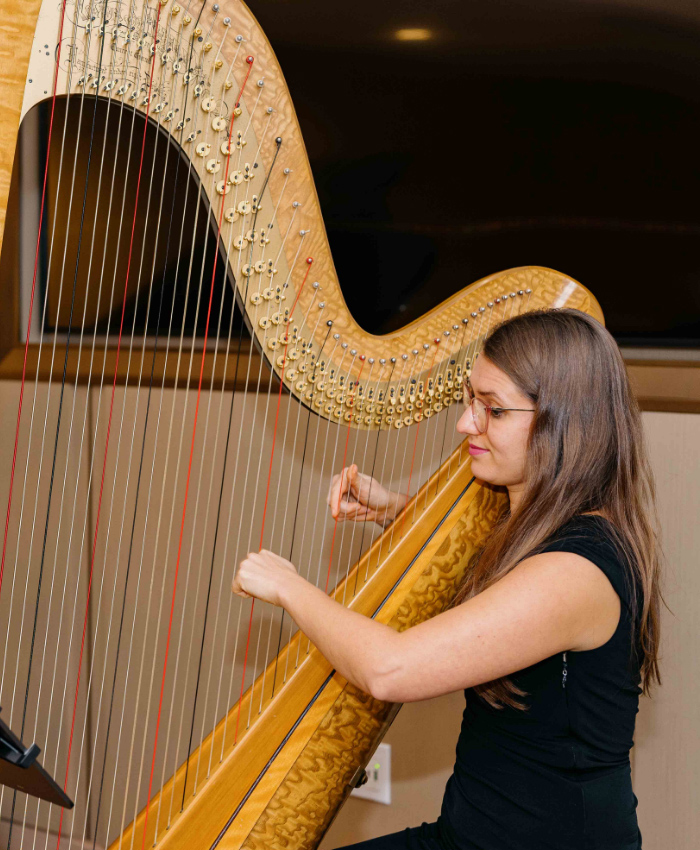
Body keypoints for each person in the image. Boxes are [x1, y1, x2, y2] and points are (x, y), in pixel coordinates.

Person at [232, 308, 662, 850]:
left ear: (565, 423)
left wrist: (288, 585)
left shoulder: (577, 571)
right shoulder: (548, 526)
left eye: (494, 411)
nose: (465, 424)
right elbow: (500, 573)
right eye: (468, 400)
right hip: (472, 836)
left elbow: (391, 670)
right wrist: (397, 511)